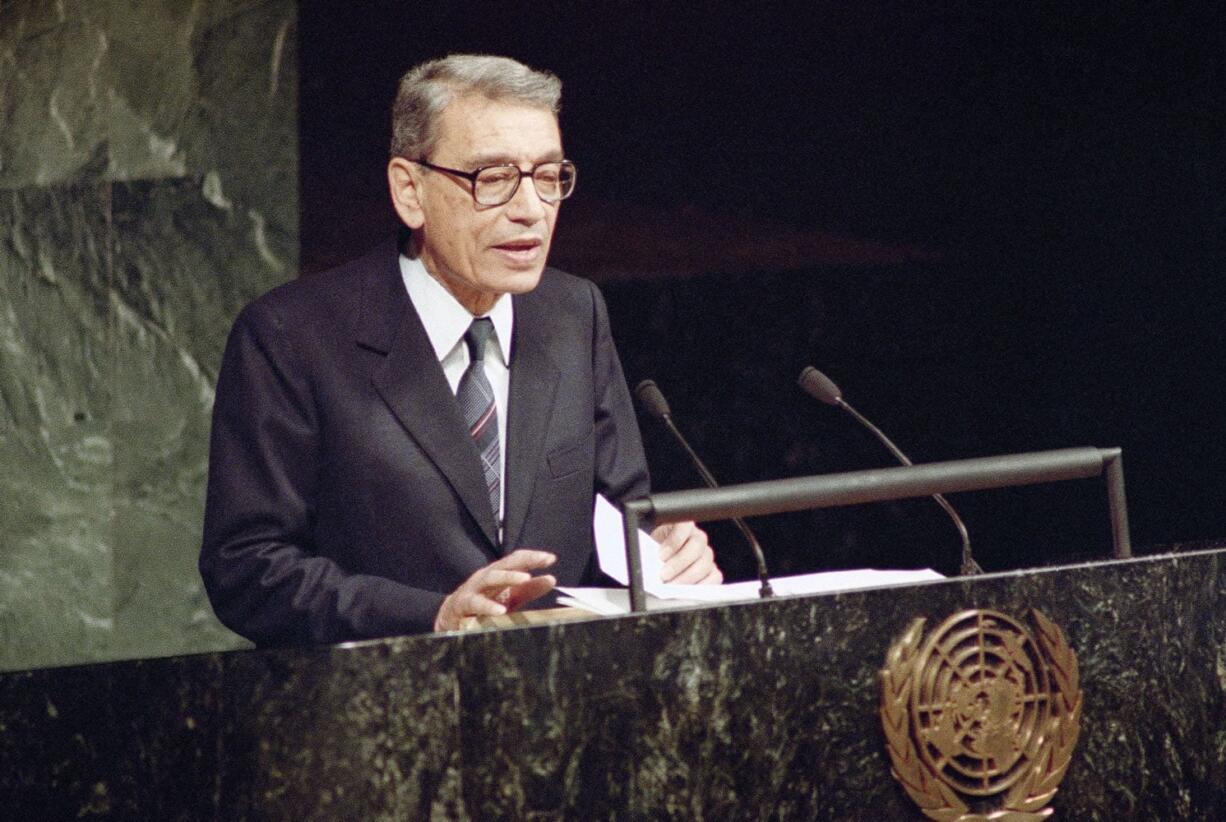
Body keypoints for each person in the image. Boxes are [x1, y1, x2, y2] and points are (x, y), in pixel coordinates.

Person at [199, 54, 721, 644]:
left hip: (558, 700)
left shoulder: (574, 313)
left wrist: (664, 554)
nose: (530, 209)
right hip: (381, 709)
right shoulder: (292, 338)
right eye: (492, 178)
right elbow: (247, 565)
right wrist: (431, 616)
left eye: (548, 177)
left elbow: (623, 513)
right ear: (410, 190)